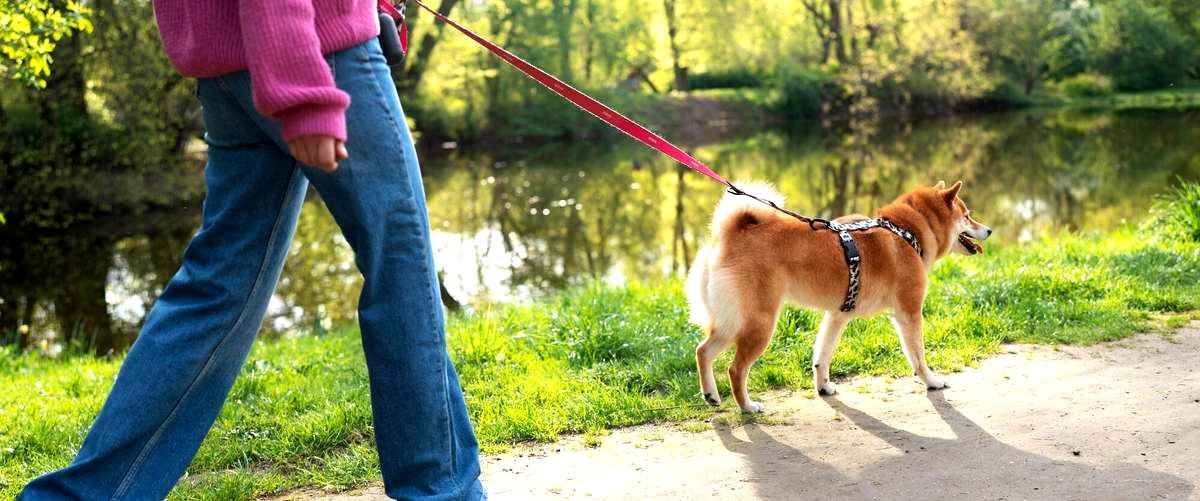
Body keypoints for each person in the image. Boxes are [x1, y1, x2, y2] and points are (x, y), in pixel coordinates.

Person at [18, 0, 485, 499]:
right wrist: (301, 92)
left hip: (230, 66)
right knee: (401, 267)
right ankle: (441, 491)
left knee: (217, 290)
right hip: (316, 53)